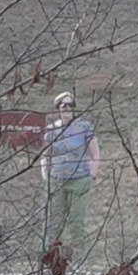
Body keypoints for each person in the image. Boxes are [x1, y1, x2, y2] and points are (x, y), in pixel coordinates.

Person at [41, 91, 99, 254]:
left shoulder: (84, 127)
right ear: (58, 108)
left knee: (76, 221)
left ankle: (78, 258)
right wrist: (47, 176)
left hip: (79, 180)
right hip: (57, 180)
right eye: (63, 105)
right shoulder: (52, 130)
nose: (67, 108)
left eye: (70, 105)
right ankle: (51, 257)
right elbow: (45, 155)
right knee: (55, 221)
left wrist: (92, 175)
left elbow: (95, 154)